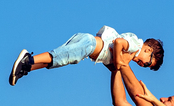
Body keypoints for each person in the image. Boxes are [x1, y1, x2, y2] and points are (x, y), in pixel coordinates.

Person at [9, 25, 164, 85]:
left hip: (87, 47)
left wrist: (116, 67)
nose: (143, 65)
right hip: (89, 44)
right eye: (148, 63)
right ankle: (28, 59)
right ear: (148, 50)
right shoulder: (135, 45)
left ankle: (26, 68)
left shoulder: (129, 54)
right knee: (61, 56)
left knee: (60, 60)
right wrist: (118, 64)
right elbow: (118, 43)